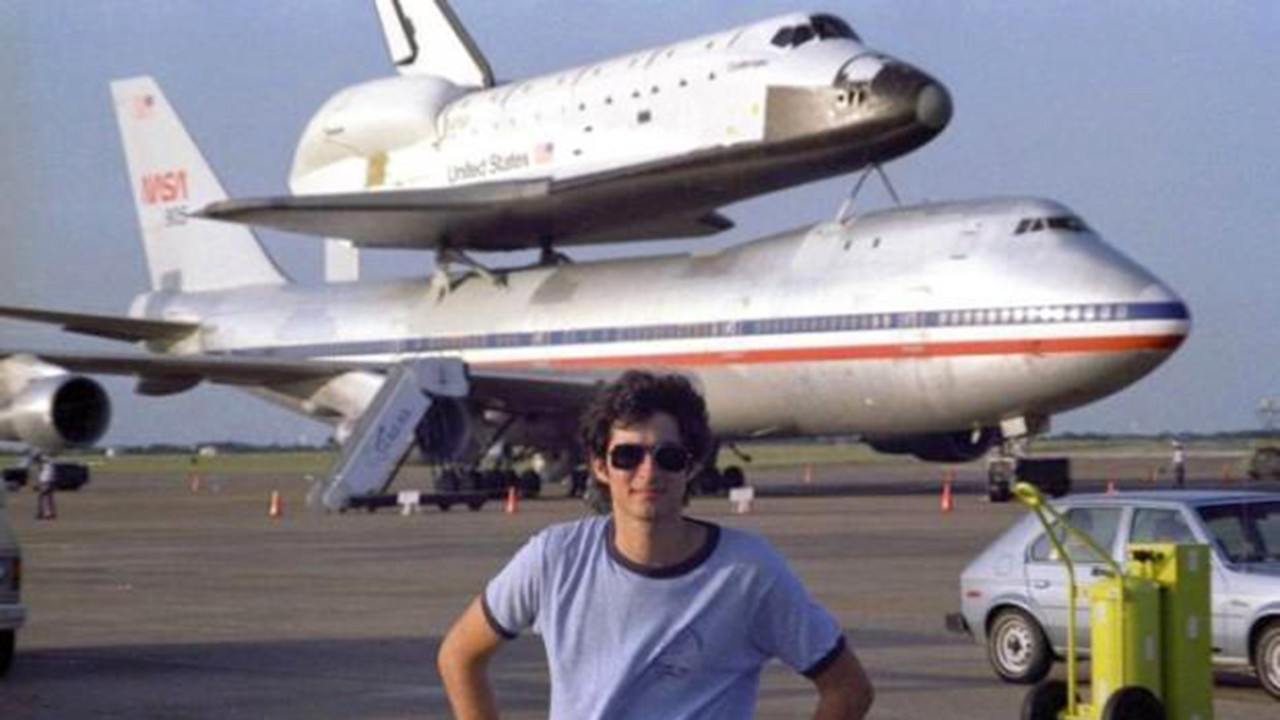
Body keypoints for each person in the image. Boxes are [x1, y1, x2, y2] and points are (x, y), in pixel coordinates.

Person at [438, 371, 874, 719]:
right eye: (627, 456)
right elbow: (459, 656)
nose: (648, 473)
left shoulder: (748, 572)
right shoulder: (554, 558)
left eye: (668, 456)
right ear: (600, 467)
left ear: (693, 465)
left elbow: (848, 689)